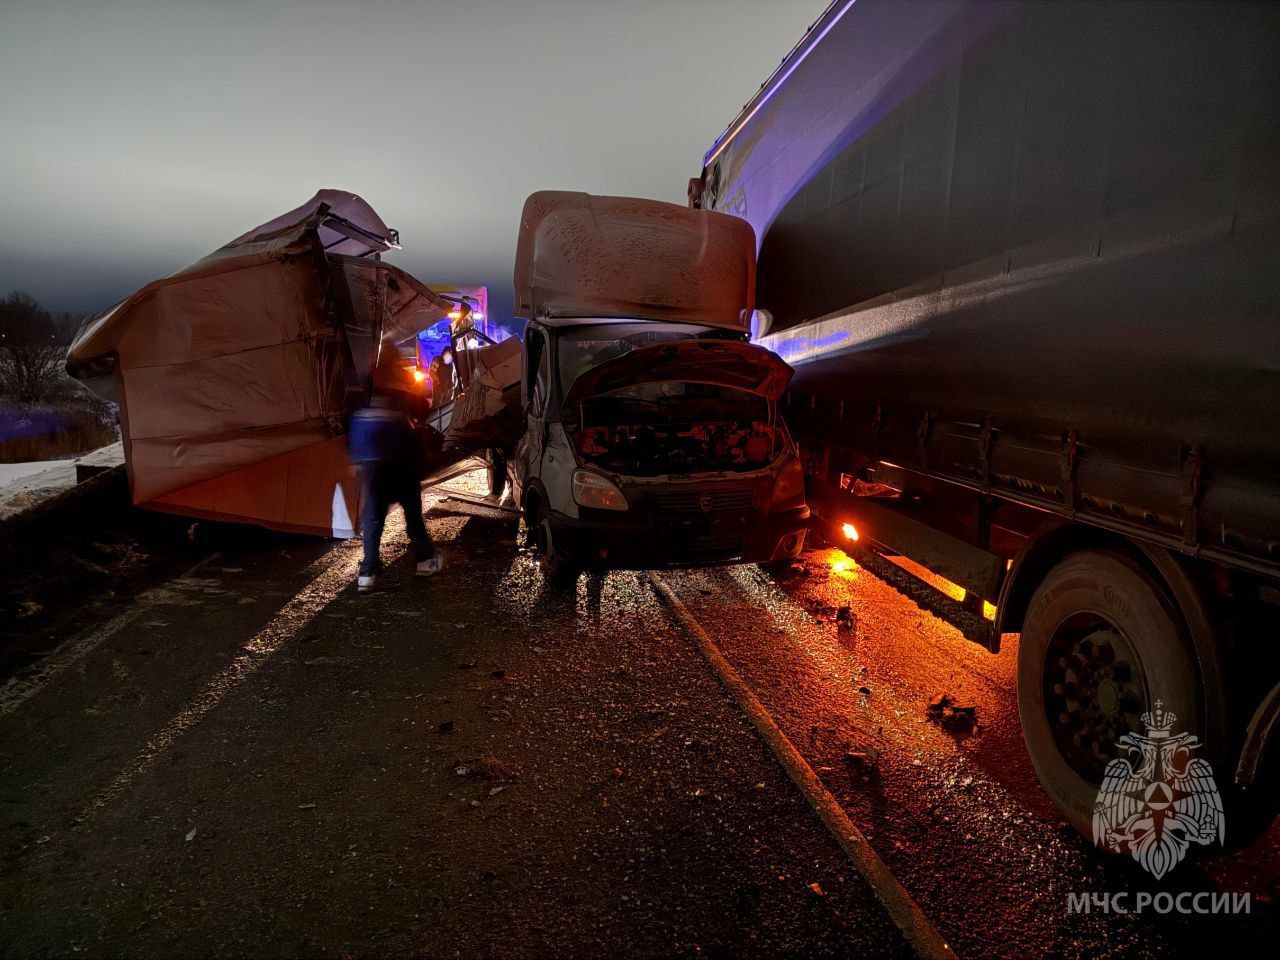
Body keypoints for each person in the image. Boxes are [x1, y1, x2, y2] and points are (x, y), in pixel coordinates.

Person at [348, 342, 442, 592]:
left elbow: (350, 420)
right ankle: (425, 561)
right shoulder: (400, 383)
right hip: (401, 460)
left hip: (371, 460)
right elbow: (423, 407)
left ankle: (367, 573)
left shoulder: (363, 385)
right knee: (412, 514)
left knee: (373, 517)